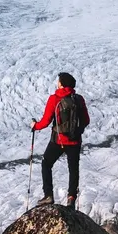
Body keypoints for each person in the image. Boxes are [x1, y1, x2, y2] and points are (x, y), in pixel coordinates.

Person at [33, 71, 89, 207]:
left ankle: (48, 196)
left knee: (46, 163)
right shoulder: (79, 99)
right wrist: (77, 130)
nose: (57, 83)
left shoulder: (55, 99)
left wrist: (35, 126)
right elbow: (86, 120)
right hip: (75, 141)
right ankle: (71, 198)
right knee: (73, 169)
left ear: (62, 84)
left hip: (58, 140)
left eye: (58, 81)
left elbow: (46, 121)